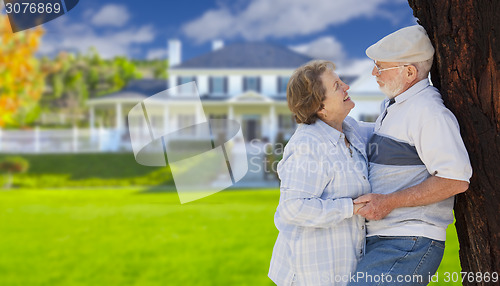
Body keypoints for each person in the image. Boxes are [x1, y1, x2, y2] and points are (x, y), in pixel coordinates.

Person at [350, 25, 473, 285]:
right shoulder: (394, 106)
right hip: (388, 239)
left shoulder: (428, 113)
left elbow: (455, 180)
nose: (374, 73)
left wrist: (389, 201)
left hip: (409, 241)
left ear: (409, 72)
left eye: (380, 67)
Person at [268, 60, 372, 285]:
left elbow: (389, 129)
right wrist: (350, 208)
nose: (347, 87)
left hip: (342, 267)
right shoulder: (308, 145)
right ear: (320, 107)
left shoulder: (350, 130)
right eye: (337, 85)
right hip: (311, 272)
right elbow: (292, 208)